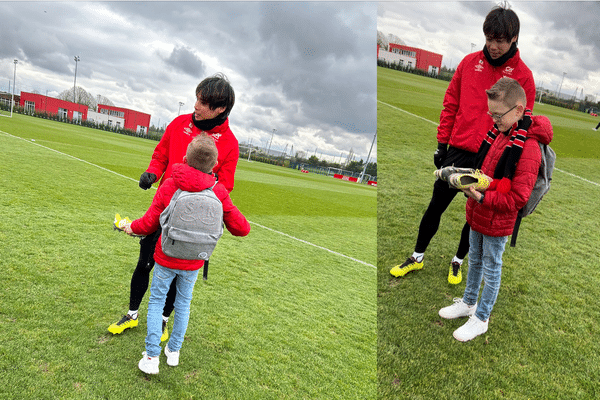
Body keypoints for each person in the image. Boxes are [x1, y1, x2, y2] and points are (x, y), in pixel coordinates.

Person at [390, 4, 537, 284]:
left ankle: (457, 261)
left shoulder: (523, 76)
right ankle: (417, 256)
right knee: (435, 207)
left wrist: (511, 161)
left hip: (491, 157)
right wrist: (441, 144)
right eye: (489, 39)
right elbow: (450, 105)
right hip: (458, 149)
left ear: (514, 39)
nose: (493, 46)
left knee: (474, 217)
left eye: (500, 40)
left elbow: (524, 120)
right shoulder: (469, 63)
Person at [108, 73, 239, 340]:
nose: (196, 106)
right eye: (197, 99)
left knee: (177, 274)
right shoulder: (179, 124)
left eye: (203, 102)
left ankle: (164, 320)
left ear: (220, 108)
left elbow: (225, 184)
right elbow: (161, 155)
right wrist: (152, 173)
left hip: (191, 221)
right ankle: (132, 315)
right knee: (144, 263)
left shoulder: (229, 143)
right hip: (162, 210)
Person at [438, 77, 553, 342]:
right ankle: (468, 303)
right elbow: (486, 173)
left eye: (498, 114)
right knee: (475, 260)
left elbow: (518, 198)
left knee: (491, 267)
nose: (493, 119)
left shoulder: (530, 147)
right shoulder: (501, 134)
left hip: (496, 220)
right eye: (490, 113)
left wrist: (481, 198)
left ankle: (482, 317)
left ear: (520, 110)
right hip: (479, 214)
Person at [125, 134, 251, 373]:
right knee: (183, 304)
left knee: (156, 301)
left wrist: (131, 227)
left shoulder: (171, 184)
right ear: (214, 166)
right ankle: (173, 351)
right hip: (195, 259)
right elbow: (242, 228)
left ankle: (151, 357)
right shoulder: (219, 190)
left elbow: (150, 222)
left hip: (166, 254)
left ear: (184, 158)